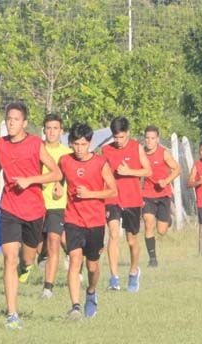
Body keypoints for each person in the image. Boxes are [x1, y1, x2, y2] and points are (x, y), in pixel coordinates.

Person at [0, 101, 62, 330]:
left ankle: (26, 267)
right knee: (9, 258)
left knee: (27, 258)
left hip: (34, 210)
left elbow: (56, 172)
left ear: (24, 123)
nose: (11, 123)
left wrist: (30, 180)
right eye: (8, 119)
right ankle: (12, 314)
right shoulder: (0, 144)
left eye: (15, 119)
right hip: (9, 208)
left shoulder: (35, 144)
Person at [59, 122, 116, 320]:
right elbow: (60, 180)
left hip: (95, 222)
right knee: (75, 260)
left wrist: (91, 193)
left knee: (92, 267)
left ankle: (91, 292)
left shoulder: (100, 163)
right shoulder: (65, 161)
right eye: (76, 144)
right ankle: (75, 307)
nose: (79, 149)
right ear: (70, 143)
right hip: (73, 219)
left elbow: (112, 190)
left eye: (83, 144)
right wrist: (58, 188)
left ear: (90, 143)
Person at [102, 117, 151, 292]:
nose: (119, 141)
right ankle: (114, 278)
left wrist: (130, 171)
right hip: (113, 199)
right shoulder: (106, 150)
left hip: (132, 199)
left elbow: (148, 170)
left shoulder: (137, 147)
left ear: (128, 133)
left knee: (131, 240)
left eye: (121, 137)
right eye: (115, 137)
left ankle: (133, 271)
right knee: (113, 235)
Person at [36, 114, 72, 300]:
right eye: (48, 128)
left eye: (55, 128)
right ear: (44, 130)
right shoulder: (37, 150)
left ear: (61, 131)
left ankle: (47, 289)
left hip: (57, 204)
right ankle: (73, 253)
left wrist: (61, 186)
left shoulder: (67, 153)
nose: (51, 132)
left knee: (53, 242)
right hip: (36, 204)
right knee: (36, 245)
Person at [141, 125, 181, 268]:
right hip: (147, 194)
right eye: (147, 138)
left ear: (157, 139)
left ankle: (167, 219)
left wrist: (166, 181)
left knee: (161, 231)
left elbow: (177, 169)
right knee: (148, 222)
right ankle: (152, 258)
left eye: (152, 138)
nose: (149, 141)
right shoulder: (141, 153)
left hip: (163, 194)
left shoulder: (164, 153)